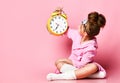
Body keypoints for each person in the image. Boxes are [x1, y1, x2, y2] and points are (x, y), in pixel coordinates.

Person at [46, 11, 106, 81]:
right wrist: (60, 18)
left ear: (85, 33)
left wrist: (67, 60)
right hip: (73, 66)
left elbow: (82, 65)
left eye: (80, 27)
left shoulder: (91, 48)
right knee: (58, 63)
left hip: (84, 66)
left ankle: (64, 76)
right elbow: (66, 30)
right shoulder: (77, 35)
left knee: (94, 67)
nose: (78, 26)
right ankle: (86, 75)